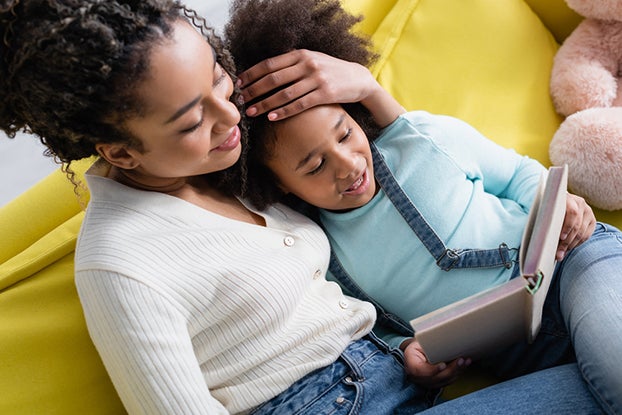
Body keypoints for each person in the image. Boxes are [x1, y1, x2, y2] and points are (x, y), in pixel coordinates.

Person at [0, 0, 605, 414]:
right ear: (120, 151)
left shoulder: (238, 171)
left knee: (600, 380)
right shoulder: (120, 261)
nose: (229, 116)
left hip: (398, 383)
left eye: (219, 80)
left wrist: (365, 89)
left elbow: (396, 186)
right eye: (192, 121)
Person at [226, 0, 622, 413]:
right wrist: (409, 352)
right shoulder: (322, 256)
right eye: (315, 166)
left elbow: (521, 175)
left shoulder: (418, 138)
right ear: (280, 187)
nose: (347, 165)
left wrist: (564, 204)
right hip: (520, 357)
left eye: (345, 135)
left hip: (575, 266)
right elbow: (375, 327)